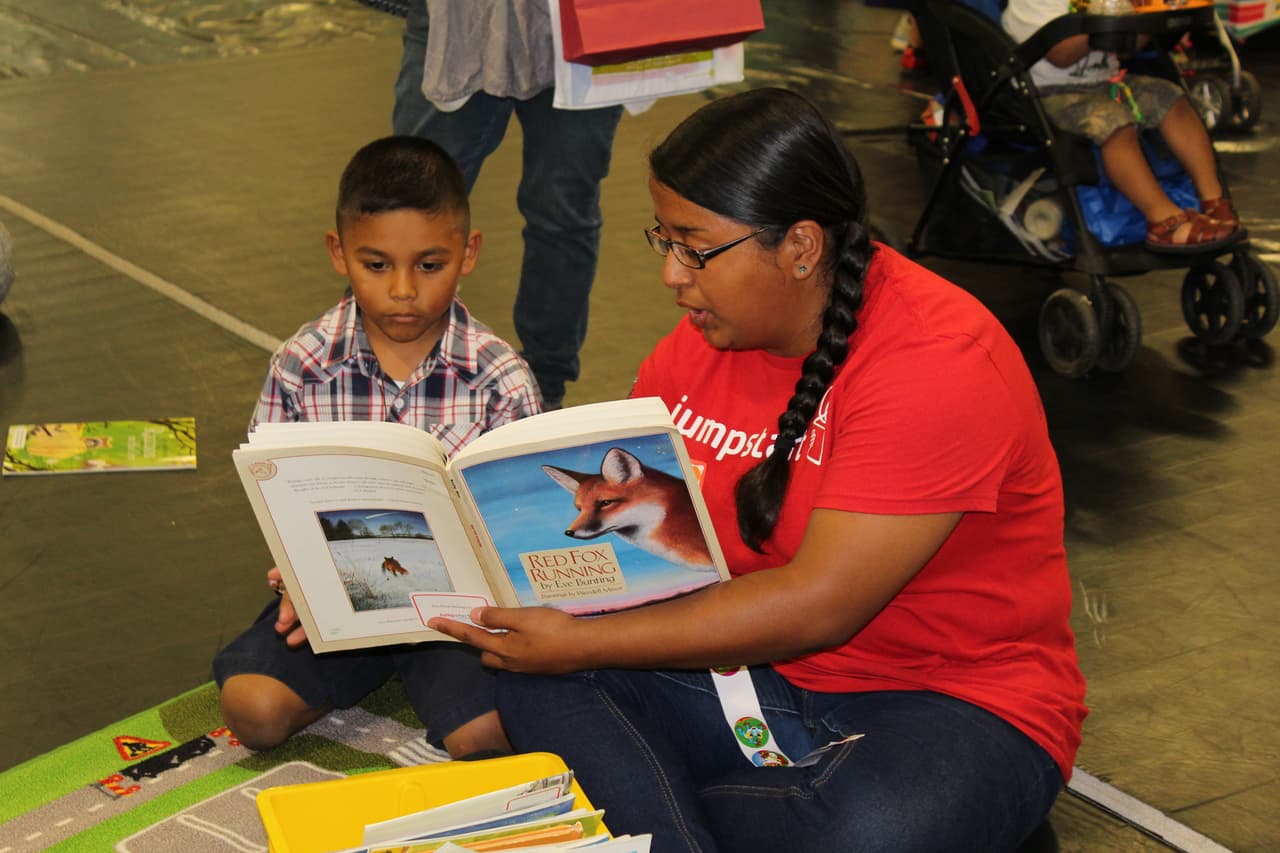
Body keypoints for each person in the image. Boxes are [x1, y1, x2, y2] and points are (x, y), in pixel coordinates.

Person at [428, 87, 1089, 852]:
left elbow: (818, 606)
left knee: (870, 829)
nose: (673, 275)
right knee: (538, 676)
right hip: (753, 682)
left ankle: (650, 817)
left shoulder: (936, 360)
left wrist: (583, 641)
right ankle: (688, 824)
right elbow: (620, 562)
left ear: (801, 246)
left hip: (949, 702)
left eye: (694, 245)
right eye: (664, 240)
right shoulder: (700, 344)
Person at [213, 135, 541, 759]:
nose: (402, 292)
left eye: (429, 264)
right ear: (338, 252)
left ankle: (407, 675)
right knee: (253, 712)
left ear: (468, 253)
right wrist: (295, 577)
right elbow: (273, 494)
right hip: (338, 595)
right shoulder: (301, 364)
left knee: (485, 737)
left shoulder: (501, 378)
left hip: (454, 617)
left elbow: (519, 528)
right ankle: (369, 667)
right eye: (376, 264)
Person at [392, 0, 624, 410]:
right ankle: (376, 372)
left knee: (563, 213)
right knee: (410, 206)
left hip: (585, 19)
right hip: (462, 18)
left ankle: (543, 392)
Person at [1002, 0, 1243, 253]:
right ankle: (1163, 221)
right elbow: (1059, 55)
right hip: (1048, 93)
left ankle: (1214, 202)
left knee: (1171, 98)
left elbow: (1129, 50)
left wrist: (1146, 16)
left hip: (1104, 83)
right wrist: (1102, 19)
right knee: (1113, 121)